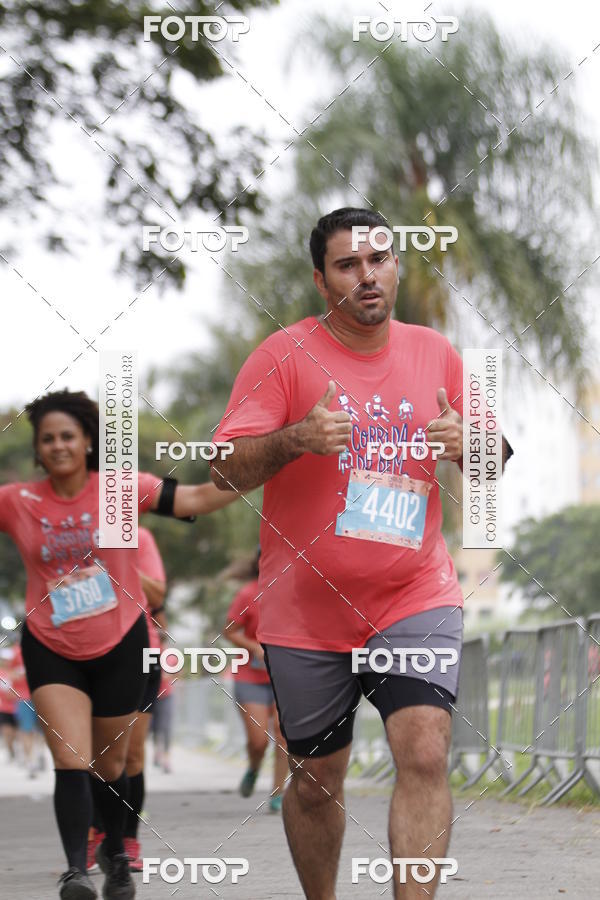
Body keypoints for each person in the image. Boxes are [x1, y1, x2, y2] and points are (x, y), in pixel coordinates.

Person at [211, 207, 513, 899]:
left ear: (397, 267)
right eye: (348, 264)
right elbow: (224, 468)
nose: (367, 274)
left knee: (426, 750)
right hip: (305, 614)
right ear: (323, 280)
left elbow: (493, 457)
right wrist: (294, 440)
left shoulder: (435, 351)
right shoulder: (283, 354)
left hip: (414, 596)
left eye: (378, 260)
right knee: (317, 782)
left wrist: (471, 444)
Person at [0, 389, 240, 900]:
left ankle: (115, 856)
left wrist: (271, 457)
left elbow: (197, 499)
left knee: (110, 765)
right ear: (38, 449)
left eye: (68, 436)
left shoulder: (119, 489)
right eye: (48, 439)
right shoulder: (17, 501)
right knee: (70, 758)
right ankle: (74, 872)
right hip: (50, 642)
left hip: (120, 643)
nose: (59, 446)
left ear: (88, 440)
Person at [87, 526, 168, 874]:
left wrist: (117, 563)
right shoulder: (71, 537)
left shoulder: (141, 537)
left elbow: (157, 593)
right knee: (91, 754)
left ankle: (128, 839)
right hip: (84, 650)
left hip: (139, 652)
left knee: (131, 753)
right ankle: (97, 836)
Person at [224, 548, 287, 812]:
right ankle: (253, 768)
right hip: (250, 676)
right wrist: (254, 646)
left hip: (283, 676)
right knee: (258, 739)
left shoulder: (292, 594)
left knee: (284, 735)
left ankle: (278, 794)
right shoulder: (248, 594)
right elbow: (229, 631)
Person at [150, 642, 175, 774]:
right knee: (154, 728)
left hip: (166, 695)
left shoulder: (170, 656)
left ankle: (166, 759)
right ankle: (156, 751)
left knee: (165, 728)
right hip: (150, 696)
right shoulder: (148, 653)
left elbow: (175, 673)